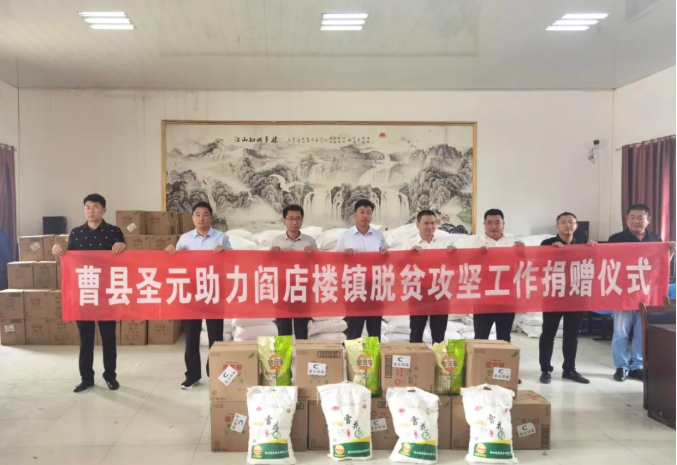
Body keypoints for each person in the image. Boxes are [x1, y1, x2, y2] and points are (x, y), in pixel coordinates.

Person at [52, 194, 126, 393]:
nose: (91, 211)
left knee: (109, 338)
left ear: (104, 210)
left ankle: (110, 377)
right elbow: (70, 258)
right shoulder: (76, 233)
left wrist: (123, 246)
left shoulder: (114, 232)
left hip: (107, 293)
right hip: (84, 293)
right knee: (85, 339)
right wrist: (58, 249)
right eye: (87, 207)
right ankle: (86, 378)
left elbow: (123, 259)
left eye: (95, 207)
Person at [165, 201, 231, 390]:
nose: (201, 218)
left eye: (205, 214)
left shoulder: (221, 238)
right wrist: (170, 252)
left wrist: (224, 254)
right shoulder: (185, 239)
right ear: (193, 217)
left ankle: (216, 373)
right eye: (197, 214)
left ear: (211, 217)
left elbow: (233, 262)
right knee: (191, 335)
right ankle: (192, 375)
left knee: (215, 335)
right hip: (191, 292)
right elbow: (176, 264)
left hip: (214, 291)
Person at [607, 204, 676, 382]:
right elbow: (607, 264)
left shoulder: (655, 239)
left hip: (646, 293)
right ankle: (621, 366)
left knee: (641, 332)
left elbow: (660, 266)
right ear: (627, 219)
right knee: (621, 332)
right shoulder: (616, 239)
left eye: (640, 218)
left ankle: (637, 366)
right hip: (623, 293)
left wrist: (669, 253)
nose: (636, 221)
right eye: (632, 217)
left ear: (648, 220)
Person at [539, 212, 594, 384]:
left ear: (576, 225)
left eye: (571, 222)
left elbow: (594, 266)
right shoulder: (547, 244)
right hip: (553, 295)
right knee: (548, 333)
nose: (567, 225)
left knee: (572, 335)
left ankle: (569, 369)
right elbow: (538, 265)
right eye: (563, 222)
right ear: (557, 226)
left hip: (576, 295)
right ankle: (545, 369)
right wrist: (551, 252)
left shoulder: (585, 245)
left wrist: (594, 250)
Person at [458, 209, 525, 341]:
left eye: (497, 223)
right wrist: (476, 256)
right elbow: (464, 266)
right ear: (484, 224)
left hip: (507, 296)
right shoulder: (474, 242)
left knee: (504, 336)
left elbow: (525, 269)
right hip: (483, 297)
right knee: (481, 336)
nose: (493, 226)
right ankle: (480, 356)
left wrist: (521, 254)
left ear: (503, 224)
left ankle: (503, 355)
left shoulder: (514, 243)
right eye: (489, 223)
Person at [336, 199, 387, 340]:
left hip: (375, 288)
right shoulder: (346, 235)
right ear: (354, 214)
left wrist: (384, 255)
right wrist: (345, 256)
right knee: (354, 328)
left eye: (368, 212)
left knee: (374, 329)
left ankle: (373, 354)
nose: (365, 216)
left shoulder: (378, 235)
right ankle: (353, 354)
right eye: (362, 212)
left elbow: (386, 258)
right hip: (354, 287)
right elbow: (336, 260)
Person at [402, 210, 456, 344]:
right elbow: (400, 269)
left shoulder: (445, 243)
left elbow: (455, 267)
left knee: (439, 333)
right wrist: (409, 256)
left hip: (440, 292)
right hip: (418, 292)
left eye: (433, 223)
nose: (430, 227)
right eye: (426, 223)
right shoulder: (408, 244)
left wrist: (453, 255)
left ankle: (438, 357)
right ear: (417, 224)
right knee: (416, 332)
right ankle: (416, 357)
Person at [271, 204, 317, 340]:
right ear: (284, 221)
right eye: (291, 218)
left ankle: (303, 352)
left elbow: (319, 264)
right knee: (283, 325)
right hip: (282, 288)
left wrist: (312, 255)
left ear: (302, 221)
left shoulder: (309, 240)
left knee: (301, 325)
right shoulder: (277, 241)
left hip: (302, 287)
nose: (294, 222)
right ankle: (284, 354)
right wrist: (273, 255)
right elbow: (269, 265)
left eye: (298, 218)